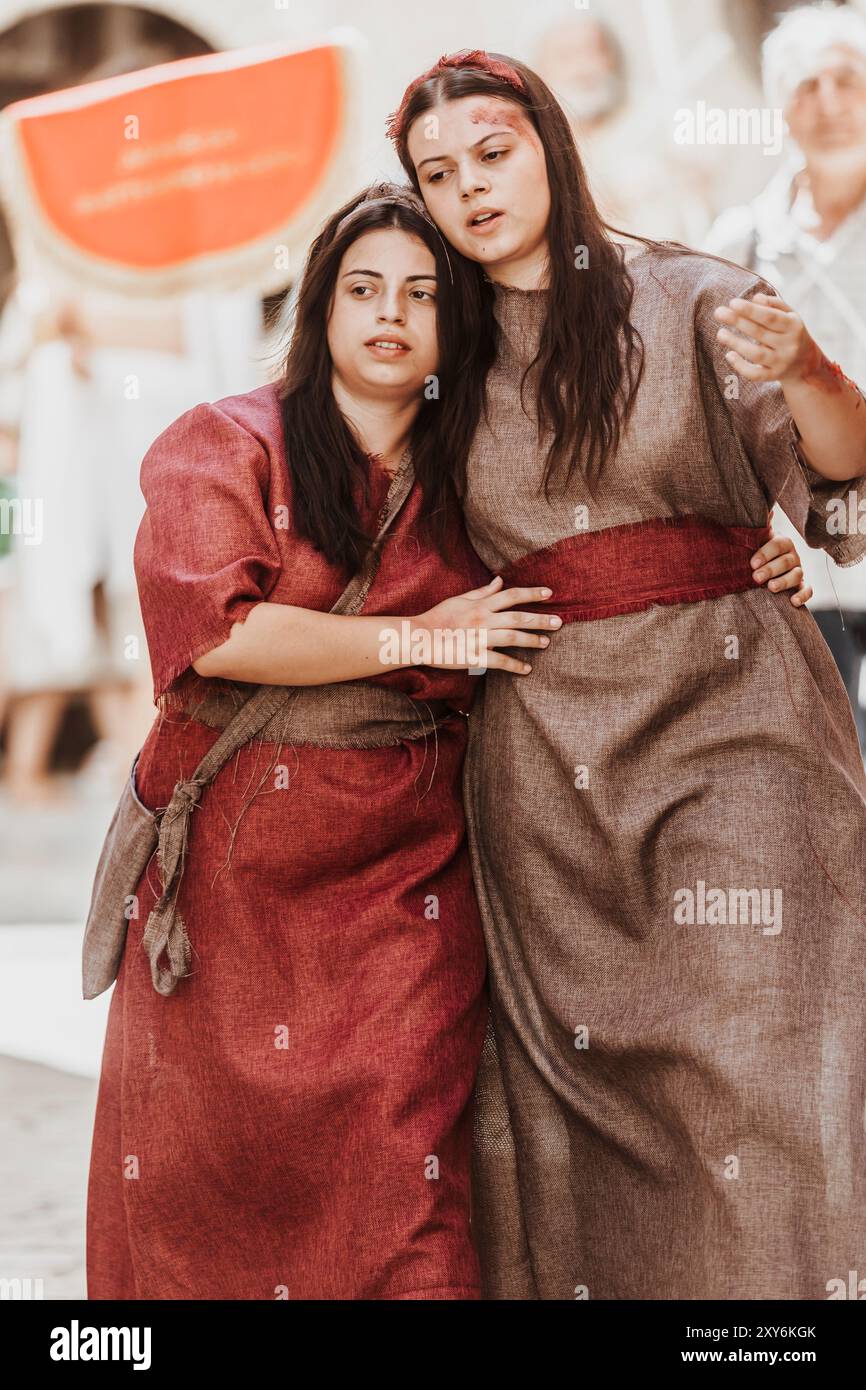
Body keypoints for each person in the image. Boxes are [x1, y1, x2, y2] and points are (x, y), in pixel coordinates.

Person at [388, 48, 866, 1300]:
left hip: (737, 720)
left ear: (548, 141)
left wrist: (811, 369)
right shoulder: (436, 358)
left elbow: (842, 495)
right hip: (545, 765)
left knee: (762, 1049)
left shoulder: (699, 294)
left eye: (492, 153)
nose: (470, 189)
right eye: (437, 176)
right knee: (594, 1096)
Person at [85, 183, 568, 1301]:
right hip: (232, 867)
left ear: (461, 326)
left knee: (407, 1172)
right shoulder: (219, 440)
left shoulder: (482, 467)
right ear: (321, 305)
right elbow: (217, 636)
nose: (390, 313)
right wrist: (420, 633)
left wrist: (749, 571)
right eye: (362, 289)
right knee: (203, 1178)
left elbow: (602, 567)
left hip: (407, 871)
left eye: (421, 294)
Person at [705, 2, 866, 749]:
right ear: (777, 108)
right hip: (807, 570)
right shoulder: (740, 244)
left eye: (848, 81)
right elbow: (715, 409)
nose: (829, 103)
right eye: (806, 87)